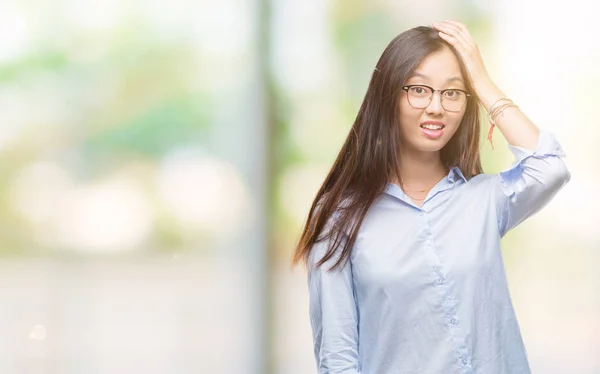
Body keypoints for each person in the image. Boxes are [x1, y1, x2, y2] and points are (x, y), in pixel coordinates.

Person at [291, 21, 570, 374]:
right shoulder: (339, 217)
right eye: (419, 90)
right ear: (388, 95)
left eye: (452, 93)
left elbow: (550, 168)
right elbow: (337, 359)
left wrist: (481, 81)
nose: (436, 107)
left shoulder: (482, 201)